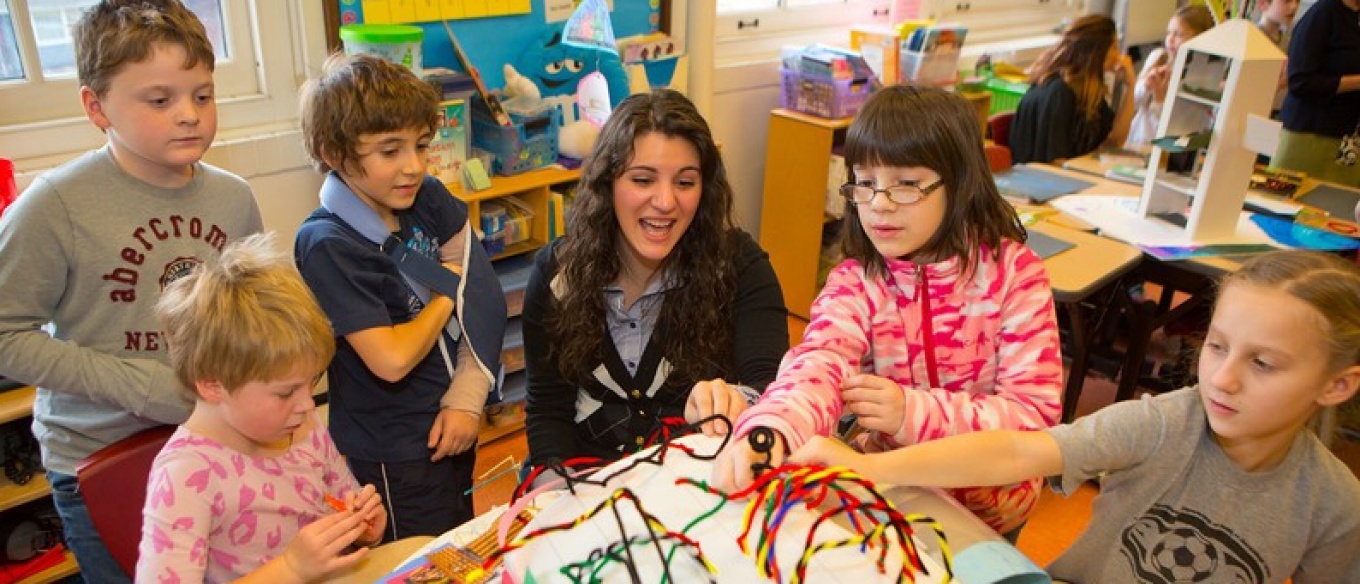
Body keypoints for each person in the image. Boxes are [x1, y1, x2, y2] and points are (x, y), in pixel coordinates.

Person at [790, 249, 1360, 583]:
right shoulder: (1163, 422)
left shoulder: (1337, 508)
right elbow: (1019, 448)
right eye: (1215, 346)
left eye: (1262, 363)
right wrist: (872, 471)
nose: (1224, 378)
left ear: (1337, 384)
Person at [713, 85, 1063, 540]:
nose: (878, 203)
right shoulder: (857, 281)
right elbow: (816, 367)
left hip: (997, 513)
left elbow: (1033, 418)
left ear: (958, 183)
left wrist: (910, 414)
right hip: (899, 502)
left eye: (906, 184)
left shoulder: (1015, 275)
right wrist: (771, 430)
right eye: (866, 183)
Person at [0, 1, 263, 580]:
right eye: (160, 100)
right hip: (101, 461)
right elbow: (6, 336)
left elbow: (255, 318)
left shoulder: (234, 197)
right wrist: (140, 386)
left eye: (203, 94)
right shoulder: (52, 207)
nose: (190, 115)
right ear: (96, 106)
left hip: (216, 444)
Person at [294, 53, 505, 542]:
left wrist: (468, 399)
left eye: (421, 146)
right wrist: (445, 296)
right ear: (334, 152)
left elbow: (482, 289)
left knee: (455, 546)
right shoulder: (328, 242)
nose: (413, 167)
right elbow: (390, 359)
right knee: (415, 559)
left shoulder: (423, 197)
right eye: (390, 151)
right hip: (397, 449)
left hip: (453, 419)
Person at [522, 89, 788, 470]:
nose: (665, 202)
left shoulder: (740, 267)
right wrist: (555, 490)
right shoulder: (557, 275)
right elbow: (547, 409)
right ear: (607, 183)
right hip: (585, 482)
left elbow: (777, 395)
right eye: (643, 180)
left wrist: (738, 399)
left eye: (685, 182)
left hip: (691, 486)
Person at [138, 233, 387, 583]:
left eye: (311, 383)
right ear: (212, 384)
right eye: (285, 393)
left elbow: (340, 497)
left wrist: (360, 525)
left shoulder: (301, 423)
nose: (307, 405)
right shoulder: (186, 476)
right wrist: (291, 569)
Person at [1011, 14, 1137, 165]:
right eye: (1114, 47)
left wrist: (1130, 86)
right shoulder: (1059, 92)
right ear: (1096, 51)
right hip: (1044, 182)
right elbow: (1056, 162)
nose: (1119, 55)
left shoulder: (1087, 91)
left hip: (1071, 178)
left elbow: (1116, 141)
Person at [1272, 0, 1360, 187]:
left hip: (1349, 143)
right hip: (1309, 136)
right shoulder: (1324, 13)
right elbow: (1300, 81)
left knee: (1338, 209)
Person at [1125, 5, 1215, 154]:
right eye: (1168, 33)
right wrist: (1146, 86)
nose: (1170, 40)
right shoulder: (1158, 56)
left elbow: (1176, 134)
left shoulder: (1200, 80)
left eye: (1178, 34)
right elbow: (1131, 104)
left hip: (1162, 152)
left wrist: (1160, 101)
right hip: (1135, 141)